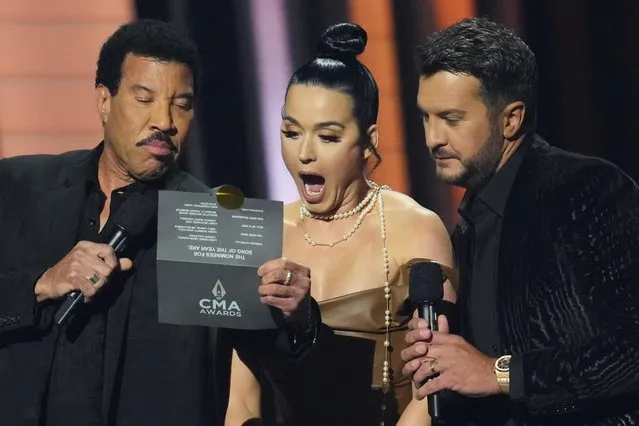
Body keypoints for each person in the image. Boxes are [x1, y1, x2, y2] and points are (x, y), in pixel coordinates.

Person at [0, 19, 318, 426]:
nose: (164, 121)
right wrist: (41, 284)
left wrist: (299, 317)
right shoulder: (21, 188)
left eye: (181, 104)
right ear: (103, 100)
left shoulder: (216, 220)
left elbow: (278, 355)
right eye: (144, 98)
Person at [400, 16, 639, 425]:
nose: (432, 138)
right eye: (426, 117)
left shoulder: (585, 189)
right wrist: (445, 360)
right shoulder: (467, 231)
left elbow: (629, 352)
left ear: (511, 119)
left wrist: (496, 372)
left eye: (451, 119)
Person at [224, 22, 456, 426]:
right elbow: (242, 398)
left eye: (328, 137)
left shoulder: (414, 229)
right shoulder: (260, 233)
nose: (305, 153)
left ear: (369, 141)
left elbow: (433, 387)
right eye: (291, 132)